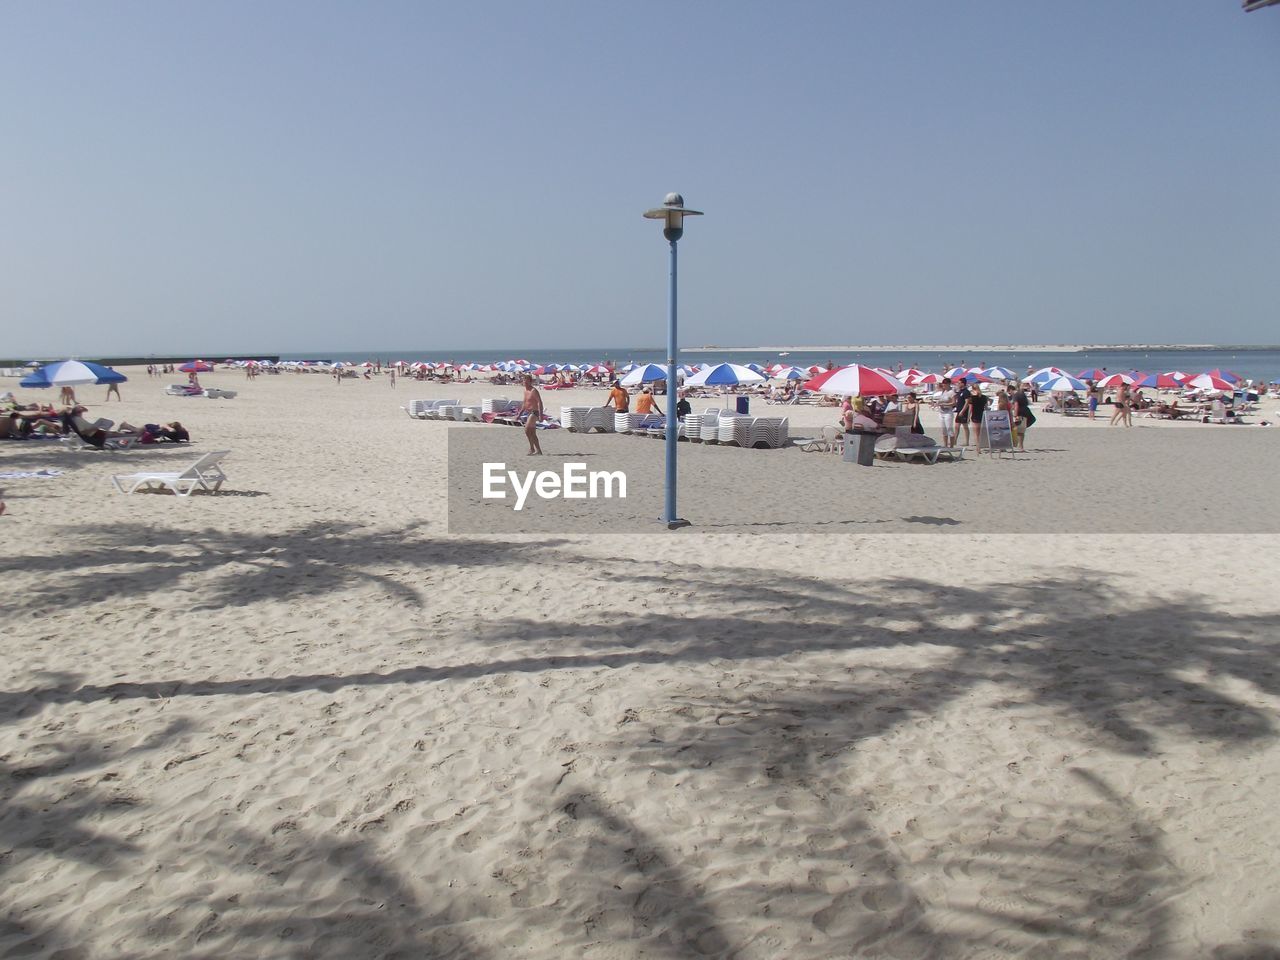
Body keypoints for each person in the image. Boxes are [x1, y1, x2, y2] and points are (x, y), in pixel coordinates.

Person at [520, 374, 543, 456]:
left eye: (526, 381)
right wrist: (519, 414)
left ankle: (532, 448)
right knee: (532, 433)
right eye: (524, 381)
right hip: (528, 412)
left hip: (534, 412)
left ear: (530, 382)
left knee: (527, 430)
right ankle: (538, 450)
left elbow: (539, 402)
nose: (525, 383)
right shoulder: (525, 391)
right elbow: (524, 403)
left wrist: (541, 415)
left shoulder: (533, 391)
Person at [1011, 384, 1035, 450]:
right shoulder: (1023, 395)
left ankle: (1020, 446)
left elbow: (1016, 405)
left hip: (1021, 413)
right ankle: (1020, 446)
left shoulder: (1016, 395)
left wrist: (1015, 415)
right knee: (1021, 431)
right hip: (1026, 412)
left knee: (1020, 431)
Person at [936, 377, 957, 448]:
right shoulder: (943, 391)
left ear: (948, 384)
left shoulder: (952, 392)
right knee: (943, 430)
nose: (943, 385)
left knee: (949, 429)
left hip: (948, 412)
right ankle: (945, 445)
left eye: (944, 384)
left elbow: (954, 403)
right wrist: (938, 403)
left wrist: (944, 404)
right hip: (941, 412)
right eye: (943, 384)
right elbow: (941, 400)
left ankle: (951, 446)